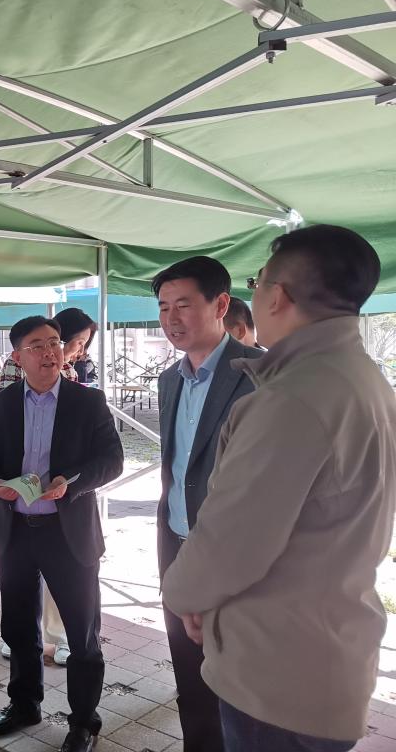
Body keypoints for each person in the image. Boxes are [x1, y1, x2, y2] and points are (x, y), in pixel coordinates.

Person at [163, 226, 396, 752]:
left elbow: (231, 541)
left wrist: (184, 594)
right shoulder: (362, 379)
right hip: (325, 645)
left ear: (277, 296)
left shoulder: (293, 397)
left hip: (278, 671)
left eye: (258, 281)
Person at [0, 315, 123, 752]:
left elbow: (112, 460)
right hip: (16, 531)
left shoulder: (87, 401)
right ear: (18, 357)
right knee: (19, 626)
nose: (49, 352)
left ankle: (83, 721)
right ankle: (24, 705)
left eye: (55, 343)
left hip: (67, 532)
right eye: (37, 345)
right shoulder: (0, 402)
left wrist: (71, 484)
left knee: (82, 633)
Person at [152, 256, 263, 752]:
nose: (171, 318)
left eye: (183, 305)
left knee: (241, 679)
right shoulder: (170, 380)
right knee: (189, 670)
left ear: (221, 305)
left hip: (238, 557)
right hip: (177, 545)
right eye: (163, 308)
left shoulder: (261, 375)